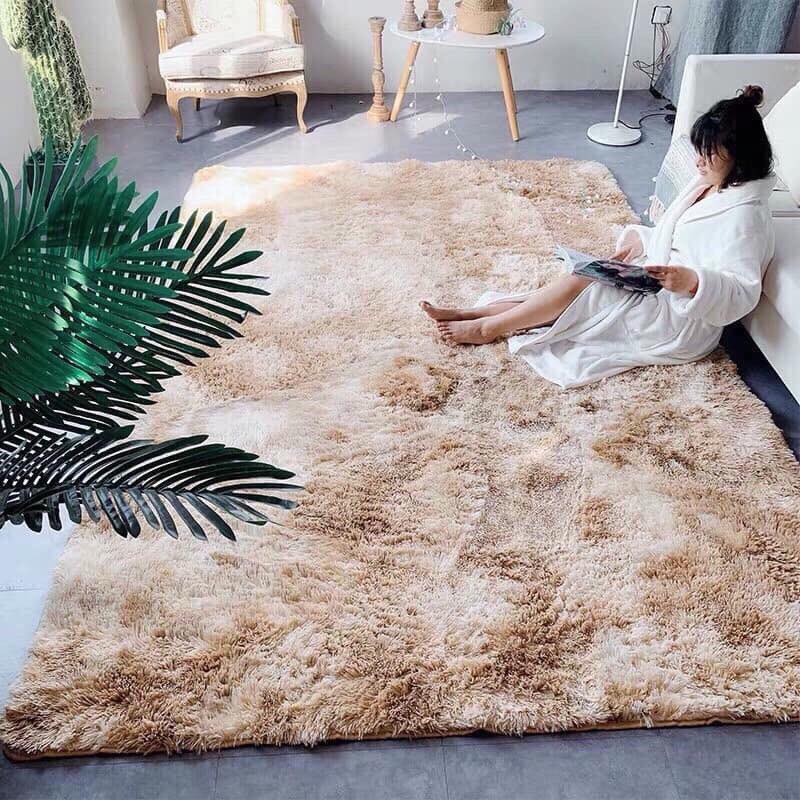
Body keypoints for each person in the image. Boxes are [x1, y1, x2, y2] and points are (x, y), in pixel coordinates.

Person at [420, 85, 776, 388]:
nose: (698, 162)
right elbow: (674, 236)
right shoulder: (710, 183)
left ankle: (489, 328)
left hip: (680, 318)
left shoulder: (746, 217)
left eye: (709, 155)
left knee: (583, 286)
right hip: (657, 281)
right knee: (586, 275)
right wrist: (640, 242)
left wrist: (694, 283)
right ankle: (474, 313)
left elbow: (743, 291)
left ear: (740, 157)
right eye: (700, 151)